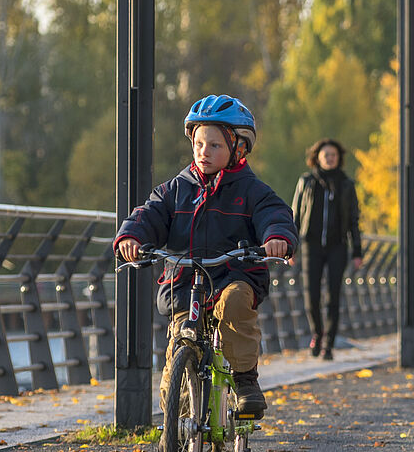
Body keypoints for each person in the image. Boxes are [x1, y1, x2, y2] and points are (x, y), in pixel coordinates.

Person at [114, 94, 296, 416]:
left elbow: (275, 215)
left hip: (235, 275)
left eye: (215, 145)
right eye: (199, 143)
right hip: (186, 283)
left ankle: (244, 381)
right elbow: (150, 213)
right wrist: (131, 236)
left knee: (236, 302)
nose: (204, 152)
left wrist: (277, 238)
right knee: (178, 358)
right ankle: (179, 421)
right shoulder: (175, 190)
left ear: (238, 149)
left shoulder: (252, 191)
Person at [293, 138, 364, 360]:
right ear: (317, 157)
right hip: (310, 245)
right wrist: (290, 247)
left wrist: (357, 252)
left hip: (337, 246)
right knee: (311, 295)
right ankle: (317, 333)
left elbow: (354, 219)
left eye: (333, 155)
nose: (329, 158)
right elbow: (295, 215)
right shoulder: (306, 181)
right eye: (326, 155)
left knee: (333, 296)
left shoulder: (346, 184)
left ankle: (329, 345)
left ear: (338, 158)